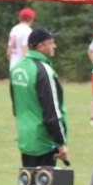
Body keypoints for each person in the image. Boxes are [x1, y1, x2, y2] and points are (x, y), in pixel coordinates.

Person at [9, 27, 70, 168]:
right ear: (40, 46)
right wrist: (61, 143)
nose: (54, 45)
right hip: (44, 142)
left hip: (25, 138)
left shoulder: (16, 68)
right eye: (51, 42)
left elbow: (16, 107)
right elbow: (52, 111)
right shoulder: (44, 71)